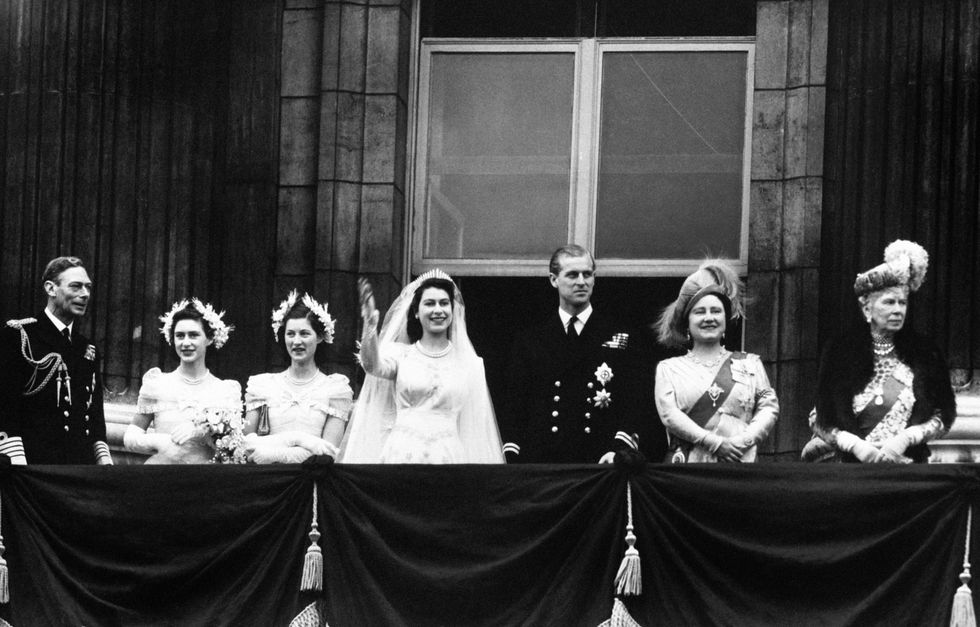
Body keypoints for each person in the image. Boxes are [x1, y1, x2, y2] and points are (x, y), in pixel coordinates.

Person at [803, 240, 955, 463]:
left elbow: (943, 414)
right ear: (867, 309)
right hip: (852, 470)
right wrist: (853, 444)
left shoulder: (925, 353)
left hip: (907, 467)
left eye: (902, 303)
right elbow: (819, 419)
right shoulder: (840, 353)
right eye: (889, 302)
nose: (897, 310)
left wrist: (908, 437)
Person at [338, 270, 504, 463]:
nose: (438, 310)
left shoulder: (469, 363)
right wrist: (369, 325)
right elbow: (372, 366)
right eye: (429, 303)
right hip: (402, 454)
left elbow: (477, 424)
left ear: (453, 310)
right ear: (416, 311)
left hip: (448, 457)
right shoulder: (401, 355)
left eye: (444, 303)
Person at [500, 245, 644, 464]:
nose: (581, 281)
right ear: (553, 279)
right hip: (543, 464)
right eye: (572, 274)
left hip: (601, 463)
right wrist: (514, 456)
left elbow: (634, 400)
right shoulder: (531, 341)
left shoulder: (619, 337)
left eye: (587, 274)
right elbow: (515, 407)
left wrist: (619, 449)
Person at [654, 259, 779, 463]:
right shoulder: (670, 369)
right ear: (687, 323)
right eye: (700, 312)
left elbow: (769, 407)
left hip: (740, 463)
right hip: (689, 467)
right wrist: (715, 443)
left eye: (716, 311)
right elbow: (669, 415)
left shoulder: (750, 364)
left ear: (725, 320)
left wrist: (743, 441)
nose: (709, 318)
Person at [0, 256, 112, 464]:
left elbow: (95, 414)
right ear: (51, 289)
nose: (85, 294)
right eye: (76, 287)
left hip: (80, 469)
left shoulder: (87, 347)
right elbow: (6, 405)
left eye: (88, 287)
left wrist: (103, 460)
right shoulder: (20, 336)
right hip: (35, 467)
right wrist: (15, 461)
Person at [123, 299, 242, 464]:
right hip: (163, 478)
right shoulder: (157, 384)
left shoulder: (225, 390)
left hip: (206, 482)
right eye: (180, 336)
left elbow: (234, 452)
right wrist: (159, 442)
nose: (186, 343)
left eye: (193, 335)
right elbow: (131, 436)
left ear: (209, 339)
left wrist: (204, 431)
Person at [242, 290, 353, 463]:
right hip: (267, 479)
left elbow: (328, 452)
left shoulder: (335, 389)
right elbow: (245, 444)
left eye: (304, 333)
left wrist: (275, 454)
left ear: (320, 337)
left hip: (311, 480)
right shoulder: (262, 385)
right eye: (291, 334)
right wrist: (297, 439)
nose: (297, 341)